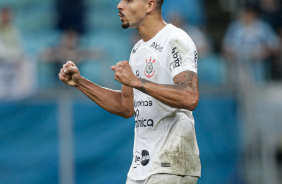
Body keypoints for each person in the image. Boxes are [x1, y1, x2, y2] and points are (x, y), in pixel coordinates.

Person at [58, 0, 201, 183]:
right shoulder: (137, 50)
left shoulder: (175, 39)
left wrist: (136, 81)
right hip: (142, 168)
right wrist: (81, 83)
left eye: (129, 0)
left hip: (170, 165)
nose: (119, 5)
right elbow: (125, 106)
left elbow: (189, 96)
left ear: (149, 5)